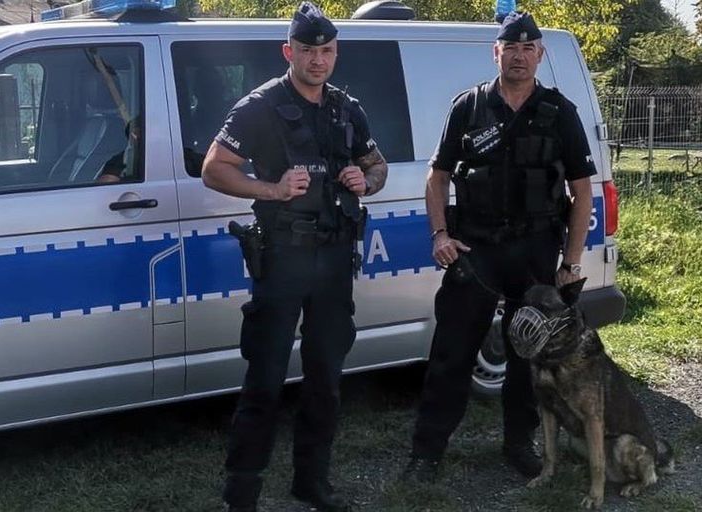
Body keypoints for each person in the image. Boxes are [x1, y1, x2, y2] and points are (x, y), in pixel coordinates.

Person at [201, 3, 388, 511]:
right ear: (290, 52)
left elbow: (377, 164)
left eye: (326, 51)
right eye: (308, 51)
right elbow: (215, 169)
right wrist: (273, 188)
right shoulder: (259, 107)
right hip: (282, 259)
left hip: (333, 262)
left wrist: (363, 180)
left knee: (326, 379)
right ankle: (241, 493)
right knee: (263, 381)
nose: (318, 60)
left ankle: (312, 484)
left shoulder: (347, 108)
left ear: (335, 54)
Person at [405, 12, 595, 482]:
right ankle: (427, 453)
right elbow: (437, 175)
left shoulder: (559, 111)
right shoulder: (469, 107)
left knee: (528, 357)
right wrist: (439, 234)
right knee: (451, 354)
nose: (520, 55)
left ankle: (519, 444)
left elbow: (582, 189)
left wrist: (570, 263)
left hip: (535, 255)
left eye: (529, 48)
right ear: (497, 52)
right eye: (511, 48)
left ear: (540, 55)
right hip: (477, 253)